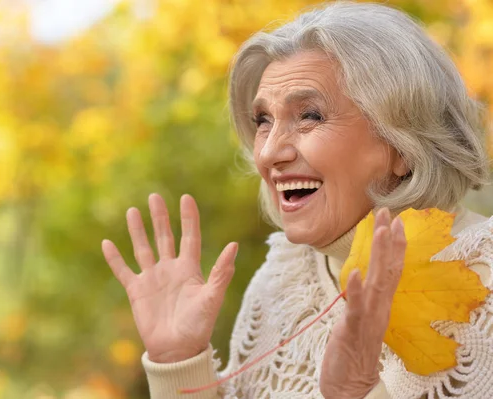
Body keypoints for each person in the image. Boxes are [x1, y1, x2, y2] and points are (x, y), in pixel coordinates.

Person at [101, 2, 493, 398]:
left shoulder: (486, 278)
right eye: (263, 121)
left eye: (309, 116)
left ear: (402, 143)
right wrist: (178, 363)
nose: (269, 153)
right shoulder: (283, 278)